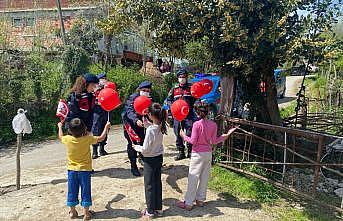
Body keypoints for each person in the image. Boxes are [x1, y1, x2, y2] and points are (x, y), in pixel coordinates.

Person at [176, 102, 238, 210]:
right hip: (208, 154)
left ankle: (188, 203)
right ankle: (200, 200)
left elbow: (193, 141)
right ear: (208, 112)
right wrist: (226, 135)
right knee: (204, 177)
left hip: (197, 154)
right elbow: (214, 141)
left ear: (197, 112)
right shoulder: (213, 124)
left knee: (193, 178)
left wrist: (183, 136)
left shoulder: (197, 124)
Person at [57, 118, 111, 220]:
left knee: (72, 191)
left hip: (72, 170)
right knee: (86, 191)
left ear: (70, 130)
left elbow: (60, 137)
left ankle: (72, 212)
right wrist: (106, 127)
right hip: (85, 170)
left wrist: (60, 126)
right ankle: (86, 213)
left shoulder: (68, 139)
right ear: (84, 129)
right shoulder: (87, 139)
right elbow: (101, 138)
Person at [133, 103, 167, 218]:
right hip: (158, 158)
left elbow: (146, 149)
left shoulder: (151, 130)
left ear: (151, 115)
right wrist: (148, 125)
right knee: (157, 182)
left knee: (149, 185)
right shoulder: (161, 125)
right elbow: (153, 129)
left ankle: (150, 211)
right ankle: (158, 208)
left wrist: (137, 147)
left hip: (149, 160)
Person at [121, 81, 152, 176]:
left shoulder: (149, 98)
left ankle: (142, 158)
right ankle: (133, 166)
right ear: (139, 89)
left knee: (143, 141)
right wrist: (135, 120)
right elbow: (129, 111)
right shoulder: (133, 98)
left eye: (148, 91)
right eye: (144, 90)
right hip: (130, 124)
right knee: (133, 144)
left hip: (142, 124)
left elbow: (150, 110)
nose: (146, 92)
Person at [167, 69, 196, 160]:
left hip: (189, 114)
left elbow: (197, 99)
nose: (182, 79)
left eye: (183, 77)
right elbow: (168, 99)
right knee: (178, 132)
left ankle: (190, 151)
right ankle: (181, 152)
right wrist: (172, 107)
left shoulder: (191, 88)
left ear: (186, 78)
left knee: (189, 132)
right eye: (180, 77)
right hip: (177, 115)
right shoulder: (174, 89)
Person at [91, 73, 109, 159]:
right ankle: (94, 151)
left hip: (105, 111)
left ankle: (102, 149)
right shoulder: (94, 89)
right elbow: (91, 100)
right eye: (102, 78)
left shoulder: (107, 88)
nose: (104, 80)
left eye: (105, 78)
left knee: (105, 128)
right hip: (96, 112)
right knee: (96, 130)